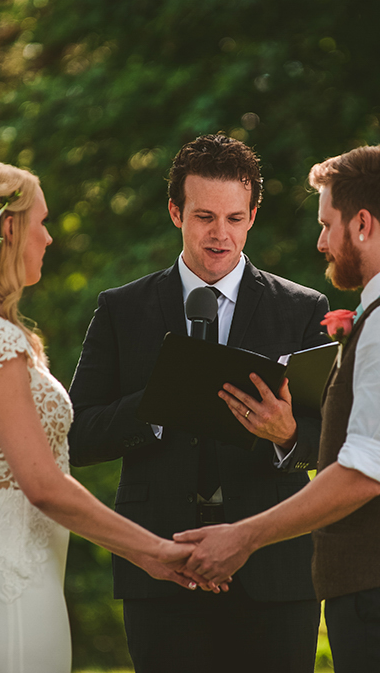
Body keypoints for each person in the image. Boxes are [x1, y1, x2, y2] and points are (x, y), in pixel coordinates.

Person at [175, 143, 380, 672]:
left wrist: (244, 536)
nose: (320, 242)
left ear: (362, 224)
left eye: (326, 224)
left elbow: (363, 474)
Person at [67, 134, 330, 673]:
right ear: (174, 212)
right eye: (204, 216)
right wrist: (158, 406)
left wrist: (287, 435)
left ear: (253, 216)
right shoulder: (122, 310)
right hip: (159, 567)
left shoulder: (304, 309)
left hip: (274, 574)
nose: (220, 234)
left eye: (234, 218)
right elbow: (75, 437)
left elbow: (336, 446)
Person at [0, 161, 198, 673]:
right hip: (7, 577)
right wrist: (152, 551)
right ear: (9, 228)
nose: (48, 239)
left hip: (8, 566)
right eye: (41, 222)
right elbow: (44, 485)